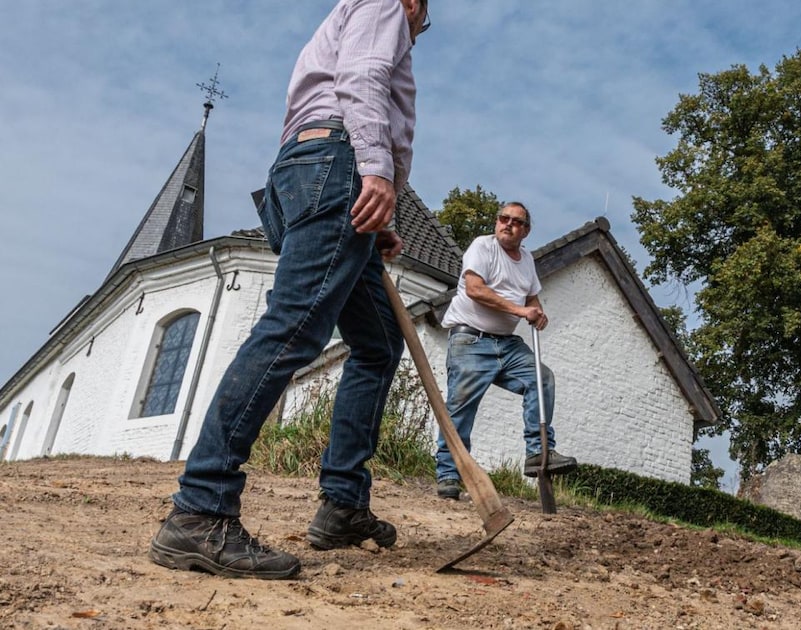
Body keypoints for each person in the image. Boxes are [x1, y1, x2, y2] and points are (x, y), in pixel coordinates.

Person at [149, 0, 431, 580]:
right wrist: (376, 171)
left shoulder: (349, 15)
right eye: (420, 25)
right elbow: (363, 76)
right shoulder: (387, 3)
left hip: (317, 170)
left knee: (378, 343)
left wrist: (376, 222)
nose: (416, 34)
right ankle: (200, 508)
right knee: (293, 328)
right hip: (336, 165)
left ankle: (343, 504)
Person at [434, 202, 577, 500]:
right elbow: (475, 289)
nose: (508, 224)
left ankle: (538, 452)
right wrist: (519, 310)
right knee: (460, 408)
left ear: (526, 231)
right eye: (503, 218)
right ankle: (449, 475)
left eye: (516, 221)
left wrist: (538, 312)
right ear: (497, 222)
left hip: (506, 344)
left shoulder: (526, 260)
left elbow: (532, 298)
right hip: (471, 340)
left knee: (541, 378)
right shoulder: (482, 247)